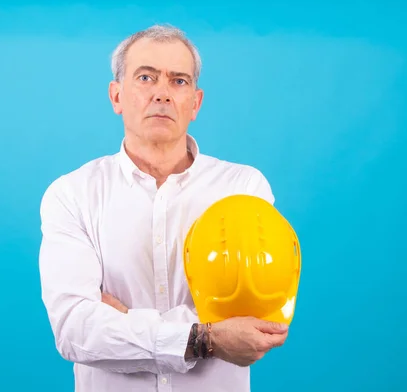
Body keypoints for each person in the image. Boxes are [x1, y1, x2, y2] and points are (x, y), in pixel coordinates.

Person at [38, 24, 290, 392]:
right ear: (117, 96)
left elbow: (255, 321)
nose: (162, 94)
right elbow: (75, 330)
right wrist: (207, 337)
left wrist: (127, 321)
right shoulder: (72, 194)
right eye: (145, 77)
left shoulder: (243, 188)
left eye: (178, 81)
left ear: (195, 103)